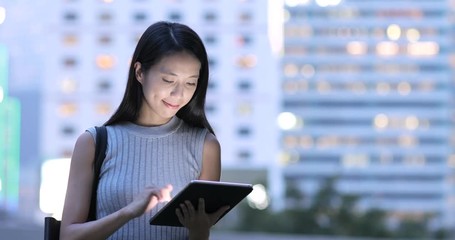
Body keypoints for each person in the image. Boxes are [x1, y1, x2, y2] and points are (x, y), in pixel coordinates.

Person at [60, 21, 229, 240]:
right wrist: (129, 212)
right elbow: (68, 236)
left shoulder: (206, 146)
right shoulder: (94, 143)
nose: (179, 94)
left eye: (191, 83)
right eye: (169, 80)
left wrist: (200, 232)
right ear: (139, 72)